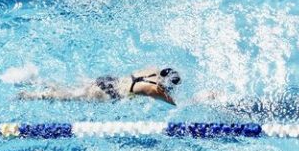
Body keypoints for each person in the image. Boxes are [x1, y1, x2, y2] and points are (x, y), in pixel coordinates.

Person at [17, 67, 181, 105]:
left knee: (71, 88)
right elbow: (175, 104)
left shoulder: (153, 70)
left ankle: (36, 80)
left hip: (108, 80)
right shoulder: (154, 89)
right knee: (68, 96)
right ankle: (29, 95)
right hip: (108, 93)